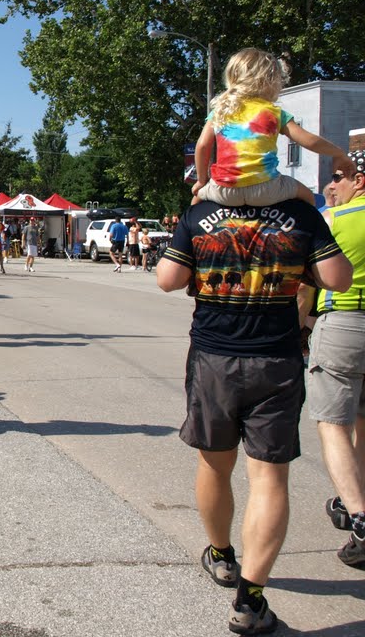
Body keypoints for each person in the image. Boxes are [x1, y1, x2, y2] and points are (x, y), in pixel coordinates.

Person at [157, 192, 351, 634]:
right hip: (276, 360)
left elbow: (168, 279)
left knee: (215, 461)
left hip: (214, 358)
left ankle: (222, 555)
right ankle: (250, 600)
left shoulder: (201, 213)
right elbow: (338, 277)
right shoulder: (300, 213)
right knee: (269, 478)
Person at [301, 150, 365, 571]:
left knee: (333, 423)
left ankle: (359, 516)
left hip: (343, 322)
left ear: (360, 180)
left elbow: (305, 285)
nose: (330, 184)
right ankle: (351, 498)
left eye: (339, 176)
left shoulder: (332, 220)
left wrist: (298, 329)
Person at [192, 47, 350, 207]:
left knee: (196, 200)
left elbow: (202, 146)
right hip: (266, 188)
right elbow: (309, 141)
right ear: (271, 80)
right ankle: (312, 228)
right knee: (308, 196)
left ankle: (187, 229)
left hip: (225, 189)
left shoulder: (221, 111)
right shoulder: (274, 112)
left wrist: (201, 180)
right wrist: (338, 152)